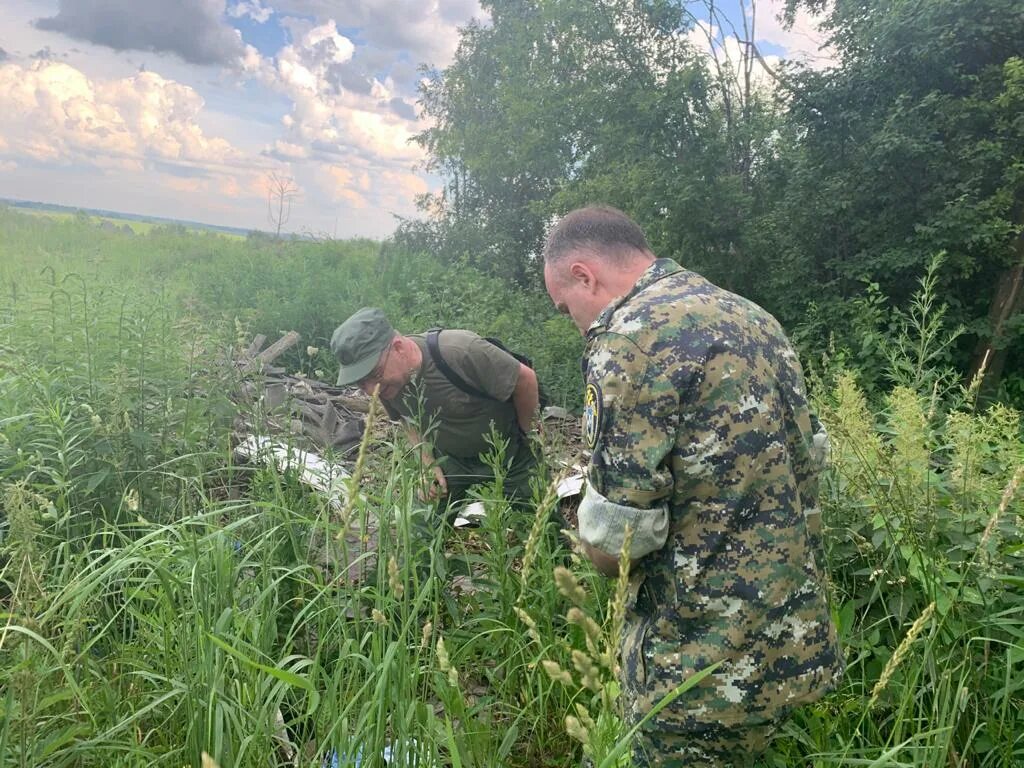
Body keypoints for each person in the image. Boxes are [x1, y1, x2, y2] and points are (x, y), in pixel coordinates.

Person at [542, 206, 843, 767]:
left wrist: (582, 533)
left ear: (584, 275)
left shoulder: (628, 341)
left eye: (566, 309)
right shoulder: (754, 318)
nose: (574, 323)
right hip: (788, 639)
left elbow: (619, 546)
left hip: (696, 663)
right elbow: (805, 465)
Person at [330, 307, 540, 506]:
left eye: (374, 374)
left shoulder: (460, 351)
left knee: (544, 530)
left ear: (398, 348)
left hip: (508, 452)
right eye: (360, 382)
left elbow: (526, 380)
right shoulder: (385, 386)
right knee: (421, 533)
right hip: (451, 460)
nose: (369, 390)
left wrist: (525, 434)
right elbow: (405, 419)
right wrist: (428, 464)